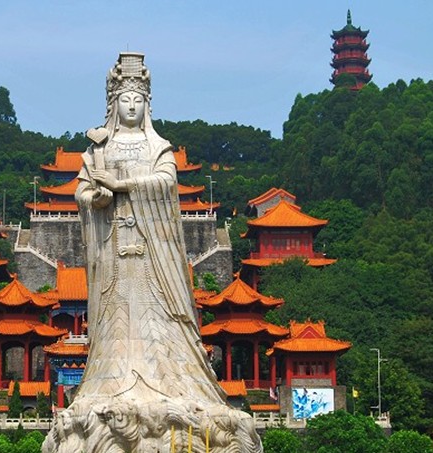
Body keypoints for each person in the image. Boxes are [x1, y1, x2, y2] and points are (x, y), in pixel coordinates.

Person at [43, 52, 262, 453]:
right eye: (124, 100)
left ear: (147, 104)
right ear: (113, 104)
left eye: (138, 100)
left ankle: (169, 382)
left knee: (159, 321)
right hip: (113, 251)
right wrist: (97, 197)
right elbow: (82, 191)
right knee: (113, 322)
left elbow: (166, 183)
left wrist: (123, 185)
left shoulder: (157, 146)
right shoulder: (99, 148)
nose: (131, 106)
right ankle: (112, 382)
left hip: (152, 255)